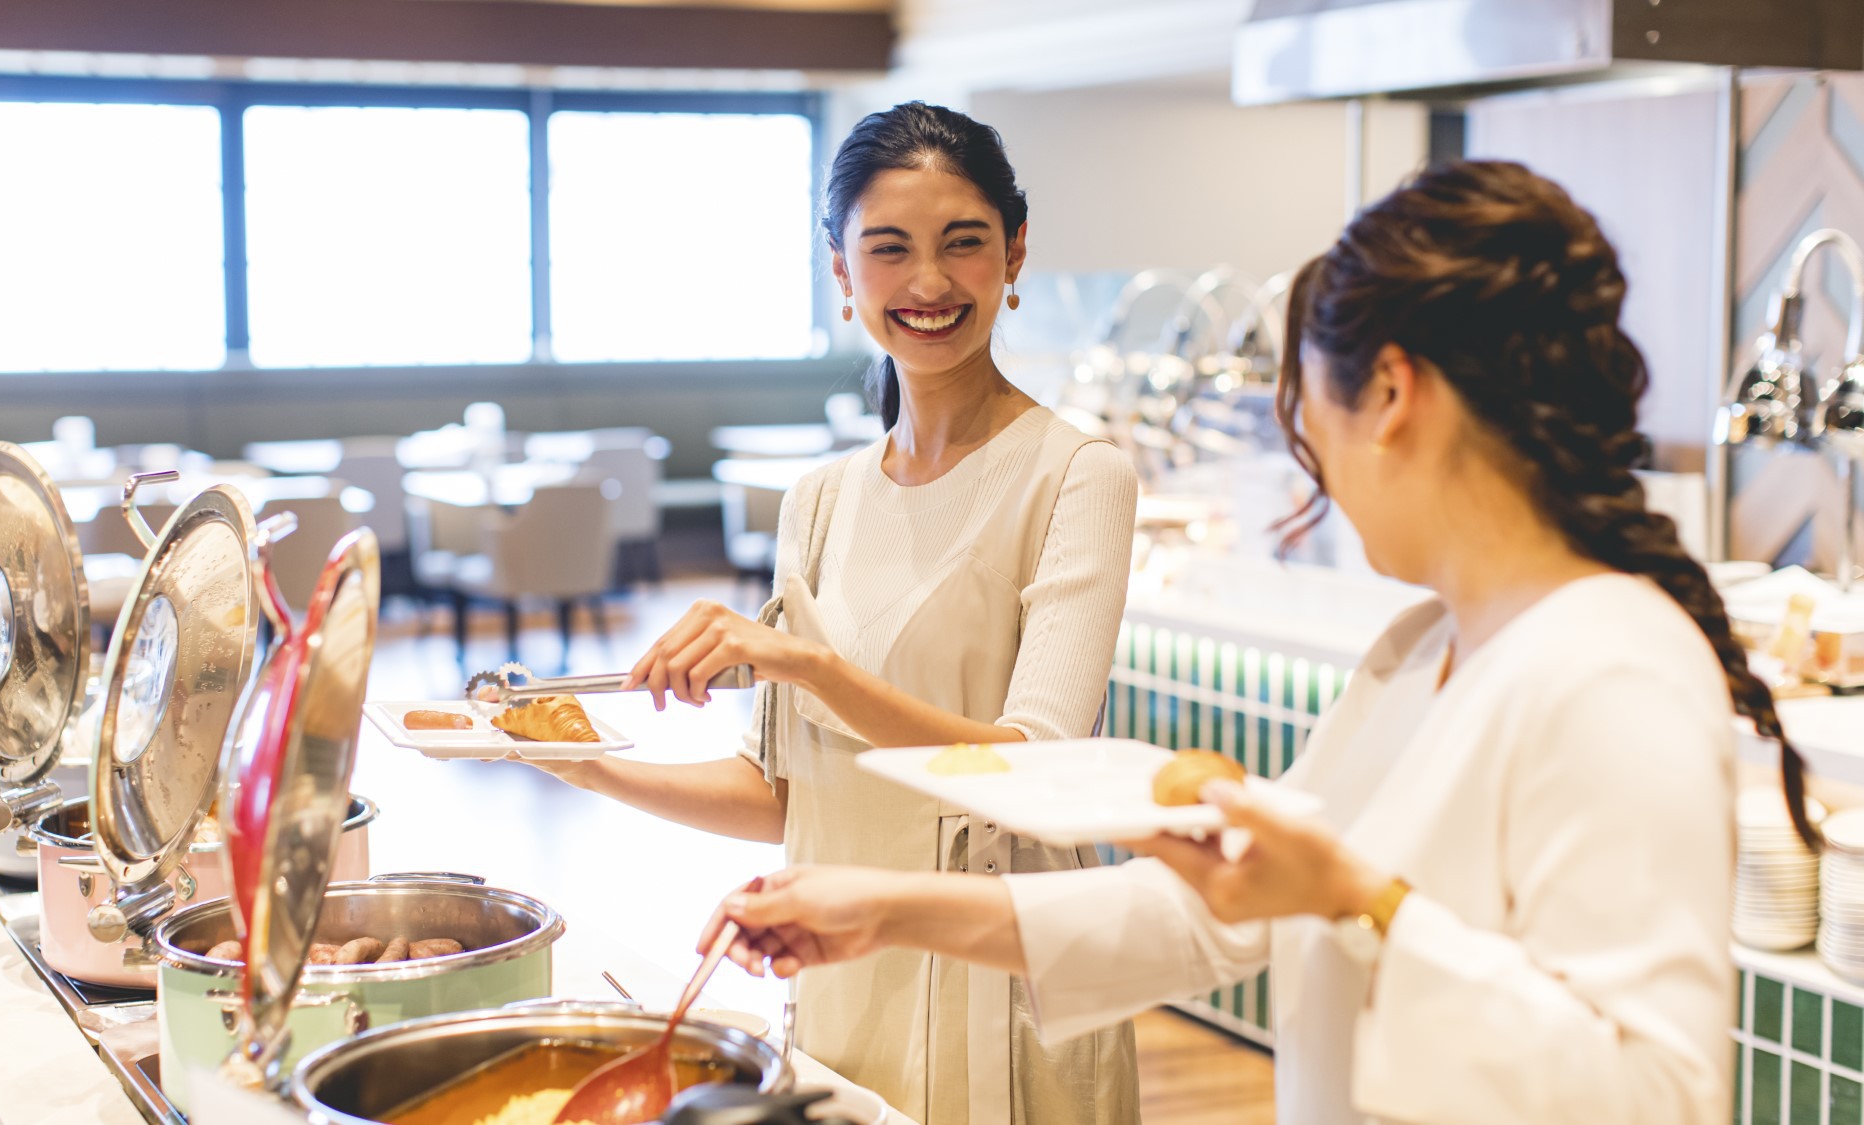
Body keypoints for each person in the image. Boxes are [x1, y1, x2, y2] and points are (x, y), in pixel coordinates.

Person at [697, 160, 1820, 1124]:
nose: (1309, 469)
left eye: (1303, 413)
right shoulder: (1416, 651)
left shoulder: (1610, 667)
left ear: (1387, 393)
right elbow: (1213, 915)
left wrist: (1352, 900)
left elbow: (1653, 1094)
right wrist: (879, 911)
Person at [528, 102, 1142, 1125]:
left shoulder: (1078, 475)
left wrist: (807, 665)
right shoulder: (818, 498)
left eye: (963, 243)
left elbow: (1031, 770)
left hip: (993, 954)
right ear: (840, 270)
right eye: (889, 249)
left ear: (1014, 251)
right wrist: (559, 758)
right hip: (838, 953)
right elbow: (785, 794)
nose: (930, 282)